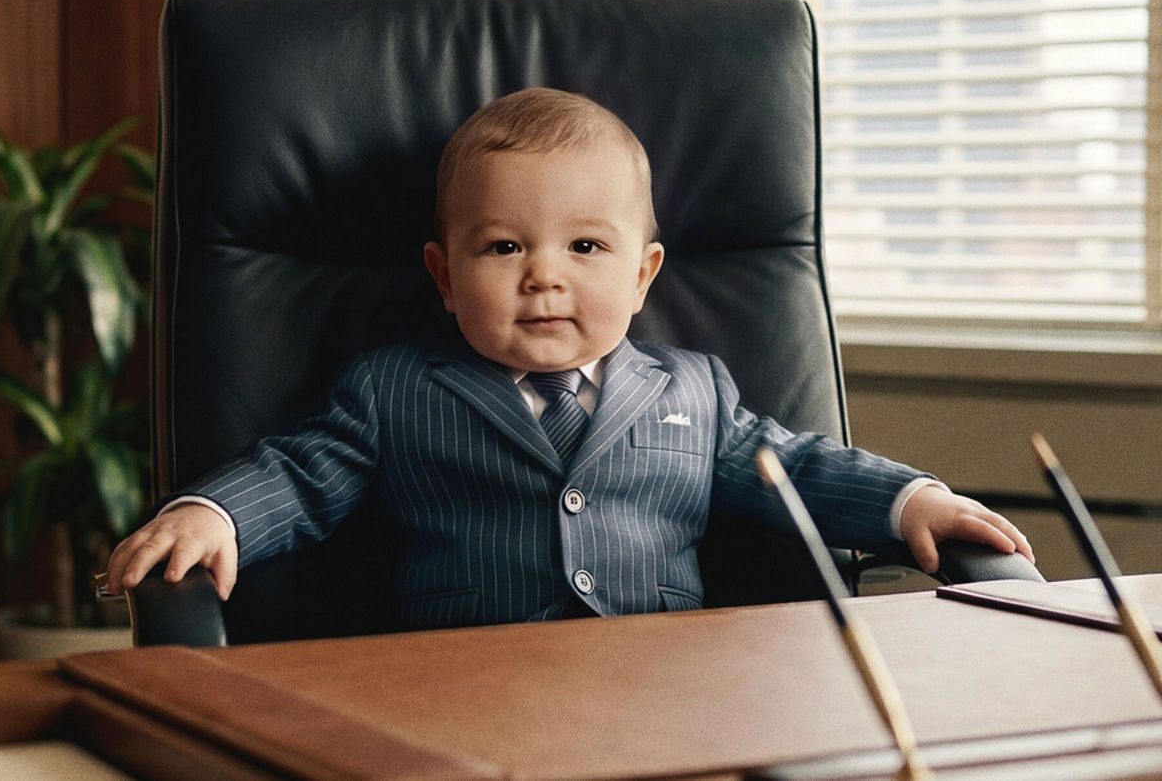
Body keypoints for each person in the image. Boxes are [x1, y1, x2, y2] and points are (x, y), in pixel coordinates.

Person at [104, 88, 1033, 626]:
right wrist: (214, 512)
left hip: (664, 689)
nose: (542, 278)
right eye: (504, 248)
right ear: (443, 273)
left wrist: (912, 498)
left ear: (643, 275)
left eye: (585, 249)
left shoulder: (696, 393)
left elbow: (794, 465)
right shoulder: (394, 388)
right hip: (465, 694)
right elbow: (300, 475)